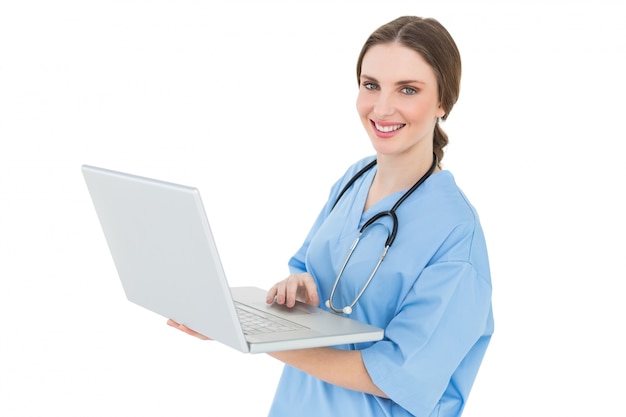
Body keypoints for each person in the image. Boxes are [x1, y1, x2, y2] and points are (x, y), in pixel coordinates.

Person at [169, 15, 494, 417]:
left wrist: (250, 334)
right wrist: (297, 290)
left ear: (444, 100)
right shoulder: (354, 178)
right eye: (370, 85)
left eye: (408, 89)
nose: (382, 107)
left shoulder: (455, 234)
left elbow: (396, 375)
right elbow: (306, 268)